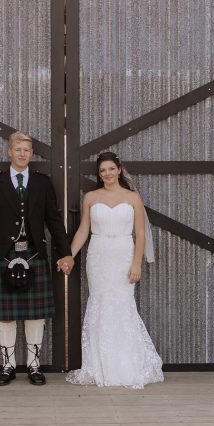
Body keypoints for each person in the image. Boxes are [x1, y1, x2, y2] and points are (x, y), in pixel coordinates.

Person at [0, 130, 75, 386]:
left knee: (36, 315)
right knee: (6, 315)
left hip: (34, 255)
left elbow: (54, 221)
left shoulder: (42, 183)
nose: (23, 154)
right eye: (18, 150)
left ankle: (34, 366)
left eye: (27, 150)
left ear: (31, 154)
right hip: (3, 256)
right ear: (10, 151)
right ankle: (8, 366)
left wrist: (65, 252)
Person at [66, 152, 163, 389]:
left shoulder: (133, 198)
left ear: (119, 170)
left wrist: (136, 263)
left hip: (123, 254)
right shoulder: (90, 197)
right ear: (99, 174)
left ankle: (127, 366)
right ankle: (98, 366)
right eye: (102, 171)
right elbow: (82, 231)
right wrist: (70, 255)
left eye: (111, 169)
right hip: (98, 255)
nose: (107, 174)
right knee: (99, 304)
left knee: (122, 304)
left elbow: (140, 233)